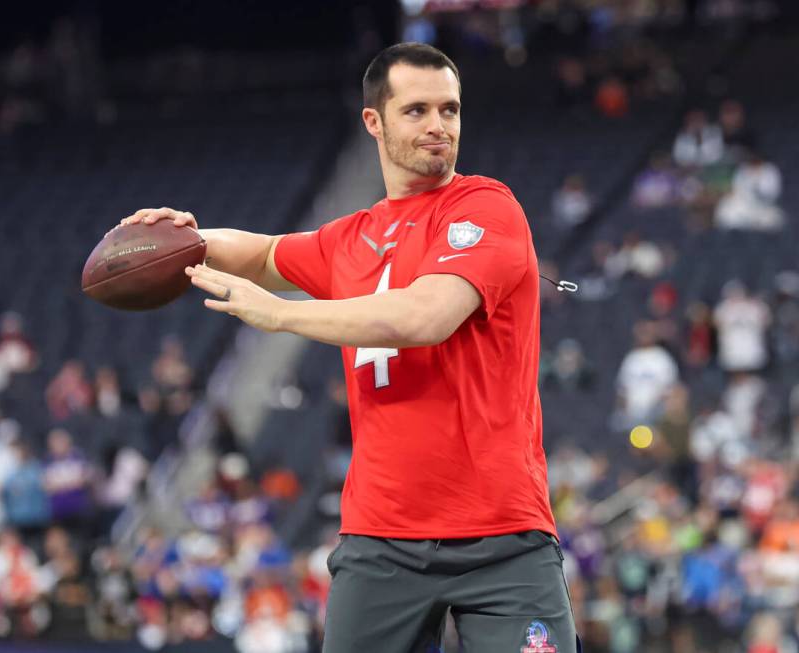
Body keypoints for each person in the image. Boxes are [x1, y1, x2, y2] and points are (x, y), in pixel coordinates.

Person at [117, 43, 579, 652]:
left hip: (502, 534)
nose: (439, 126)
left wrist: (283, 314)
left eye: (451, 109)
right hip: (381, 541)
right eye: (417, 111)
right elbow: (260, 252)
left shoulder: (485, 207)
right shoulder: (350, 240)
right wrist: (186, 239)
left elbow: (425, 316)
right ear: (374, 122)